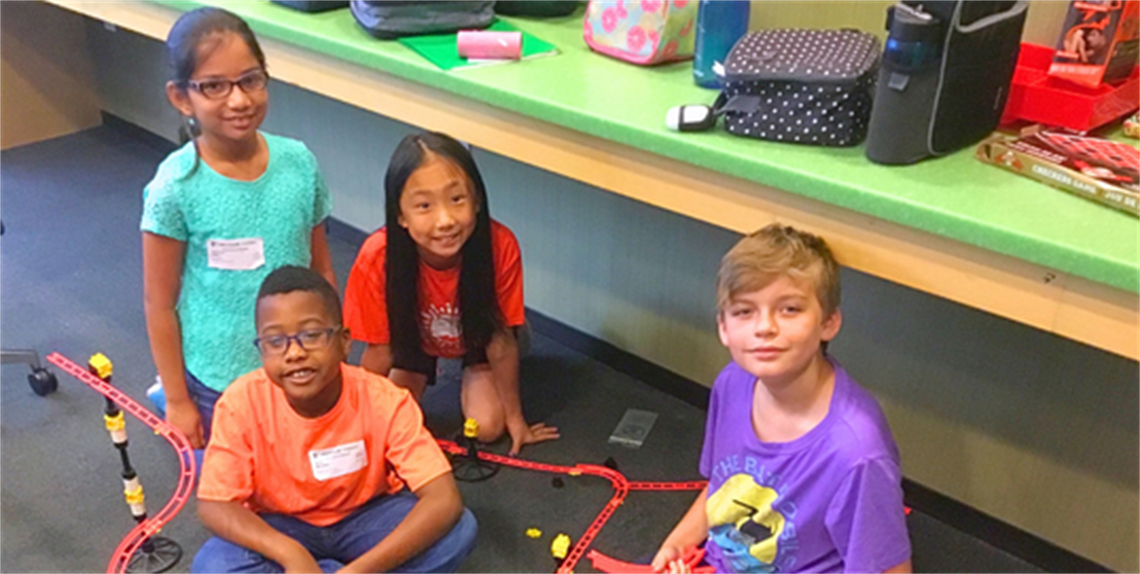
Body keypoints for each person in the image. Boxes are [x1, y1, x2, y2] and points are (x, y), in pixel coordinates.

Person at [652, 224, 911, 574]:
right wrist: (677, 544)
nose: (764, 328)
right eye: (744, 311)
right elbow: (722, 488)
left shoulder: (855, 453)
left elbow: (890, 568)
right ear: (724, 328)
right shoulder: (732, 384)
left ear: (829, 322)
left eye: (789, 309)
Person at [192, 265, 476, 574]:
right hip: (283, 525)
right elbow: (215, 504)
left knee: (458, 529)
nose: (294, 353)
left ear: (344, 341)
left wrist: (356, 572)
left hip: (366, 517)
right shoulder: (240, 403)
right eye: (275, 341)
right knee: (214, 566)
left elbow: (443, 499)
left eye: (311, 335)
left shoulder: (384, 399)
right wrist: (290, 553)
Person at [141, 7, 335, 449]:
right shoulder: (175, 187)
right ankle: (168, 388)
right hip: (220, 373)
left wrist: (331, 352)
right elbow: (159, 303)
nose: (239, 100)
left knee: (318, 479)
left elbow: (321, 269)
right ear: (181, 97)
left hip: (298, 361)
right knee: (245, 498)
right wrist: (178, 401)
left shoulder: (299, 163)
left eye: (251, 79)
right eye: (214, 86)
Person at [343, 132, 557, 455]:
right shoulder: (377, 257)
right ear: (400, 214)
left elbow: (500, 343)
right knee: (389, 420)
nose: (445, 221)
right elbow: (378, 351)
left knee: (487, 427)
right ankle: (425, 370)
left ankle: (505, 343)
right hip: (411, 340)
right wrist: (353, 420)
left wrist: (517, 419)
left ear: (477, 199)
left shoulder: (500, 246)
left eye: (457, 199)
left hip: (478, 338)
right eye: (424, 205)